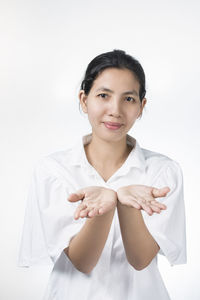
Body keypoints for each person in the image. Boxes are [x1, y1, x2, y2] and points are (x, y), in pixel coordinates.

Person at [18, 49, 187, 300]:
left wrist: (125, 204)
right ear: (84, 100)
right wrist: (106, 206)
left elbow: (141, 260)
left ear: (142, 106)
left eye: (128, 99)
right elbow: (82, 261)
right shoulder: (53, 170)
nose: (115, 110)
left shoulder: (163, 171)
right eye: (103, 95)